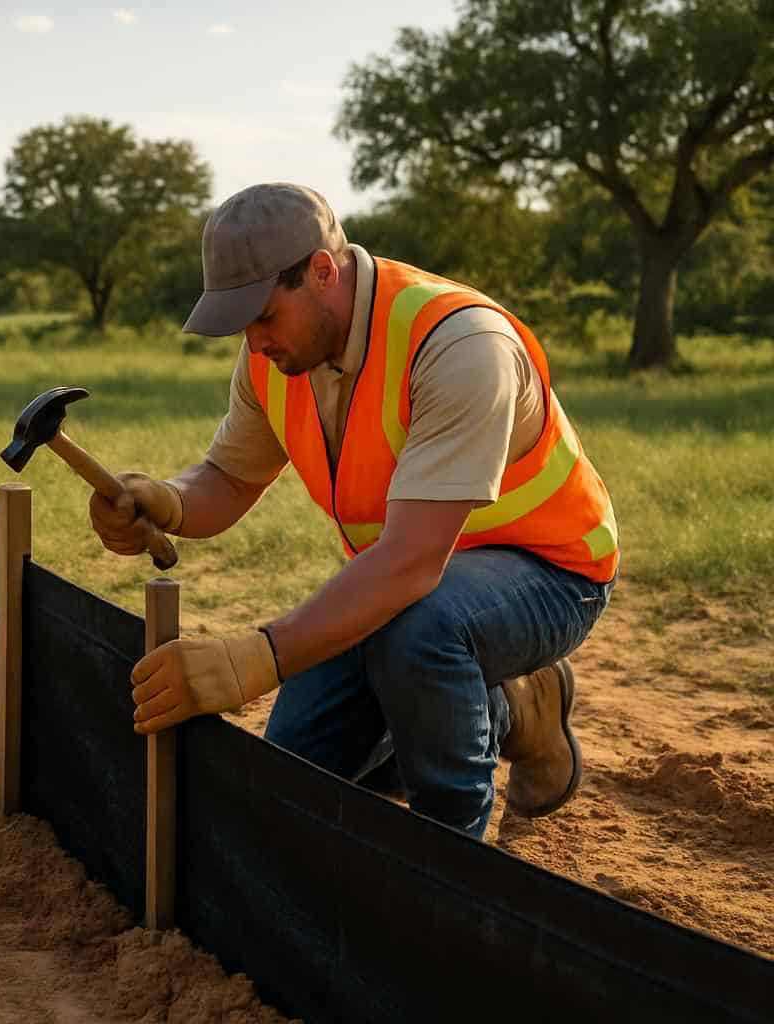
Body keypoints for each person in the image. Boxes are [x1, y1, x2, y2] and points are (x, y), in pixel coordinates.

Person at [90, 183, 618, 841]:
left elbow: (409, 565)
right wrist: (165, 500)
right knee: (299, 765)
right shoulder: (278, 355)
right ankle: (511, 702)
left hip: (550, 573)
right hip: (410, 582)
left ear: (321, 271)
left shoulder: (458, 344)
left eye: (262, 317)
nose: (254, 344)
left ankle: (449, 853)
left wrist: (253, 659)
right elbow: (228, 477)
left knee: (421, 636)